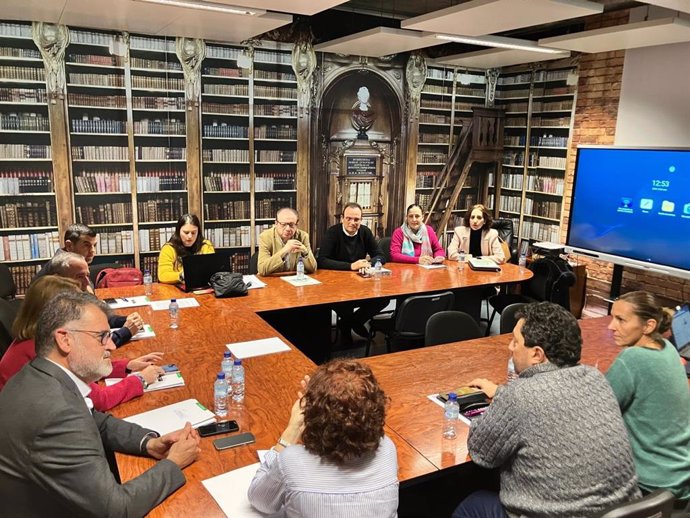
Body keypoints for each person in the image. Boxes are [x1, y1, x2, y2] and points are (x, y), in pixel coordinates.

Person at [0, 290, 200, 516]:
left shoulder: (40, 374)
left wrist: (149, 443)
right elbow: (115, 510)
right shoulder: (57, 413)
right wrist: (173, 464)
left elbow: (95, 419)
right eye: (102, 336)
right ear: (65, 339)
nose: (112, 346)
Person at [453, 302, 640, 518]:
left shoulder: (518, 394)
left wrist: (499, 404)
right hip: (623, 511)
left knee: (471, 505)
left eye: (516, 341)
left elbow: (481, 454)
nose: (510, 347)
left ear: (537, 355)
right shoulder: (596, 378)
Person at [248, 359, 398, 517]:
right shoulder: (387, 449)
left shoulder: (291, 462)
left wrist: (291, 431)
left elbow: (260, 501)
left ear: (313, 418)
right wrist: (321, 399)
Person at [0, 275, 164, 411]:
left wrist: (126, 366)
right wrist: (140, 380)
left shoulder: (36, 336)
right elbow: (99, 399)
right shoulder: (43, 350)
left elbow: (80, 365)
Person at [607, 291, 690, 502]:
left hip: (648, 484)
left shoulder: (632, 358)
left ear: (648, 326)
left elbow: (599, 413)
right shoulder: (669, 349)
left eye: (621, 320)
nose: (611, 326)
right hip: (680, 477)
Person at [317, 202, 388, 343]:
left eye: (356, 219)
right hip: (335, 285)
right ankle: (350, 326)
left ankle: (350, 323)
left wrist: (367, 263)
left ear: (361, 220)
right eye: (348, 218)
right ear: (342, 218)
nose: (352, 222)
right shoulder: (333, 233)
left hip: (359, 283)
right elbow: (322, 261)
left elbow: (380, 255)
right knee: (344, 303)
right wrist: (351, 266)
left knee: (383, 298)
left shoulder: (365, 232)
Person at [45, 252, 143, 347]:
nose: (87, 282)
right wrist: (126, 331)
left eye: (87, 275)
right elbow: (93, 346)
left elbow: (101, 318)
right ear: (57, 278)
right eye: (79, 277)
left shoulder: (77, 295)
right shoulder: (57, 309)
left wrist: (126, 320)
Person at [257, 207, 316, 276]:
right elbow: (262, 269)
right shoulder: (265, 237)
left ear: (297, 224)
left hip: (295, 280)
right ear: (276, 223)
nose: (288, 229)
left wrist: (305, 252)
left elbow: (313, 269)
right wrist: (285, 250)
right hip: (274, 280)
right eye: (283, 224)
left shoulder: (303, 236)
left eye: (291, 225)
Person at [158, 213, 215, 284]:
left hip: (201, 286)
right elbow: (163, 275)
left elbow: (212, 270)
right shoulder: (169, 248)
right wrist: (181, 275)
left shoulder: (206, 245)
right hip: (176, 288)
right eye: (186, 232)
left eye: (193, 233)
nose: (190, 236)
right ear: (178, 232)